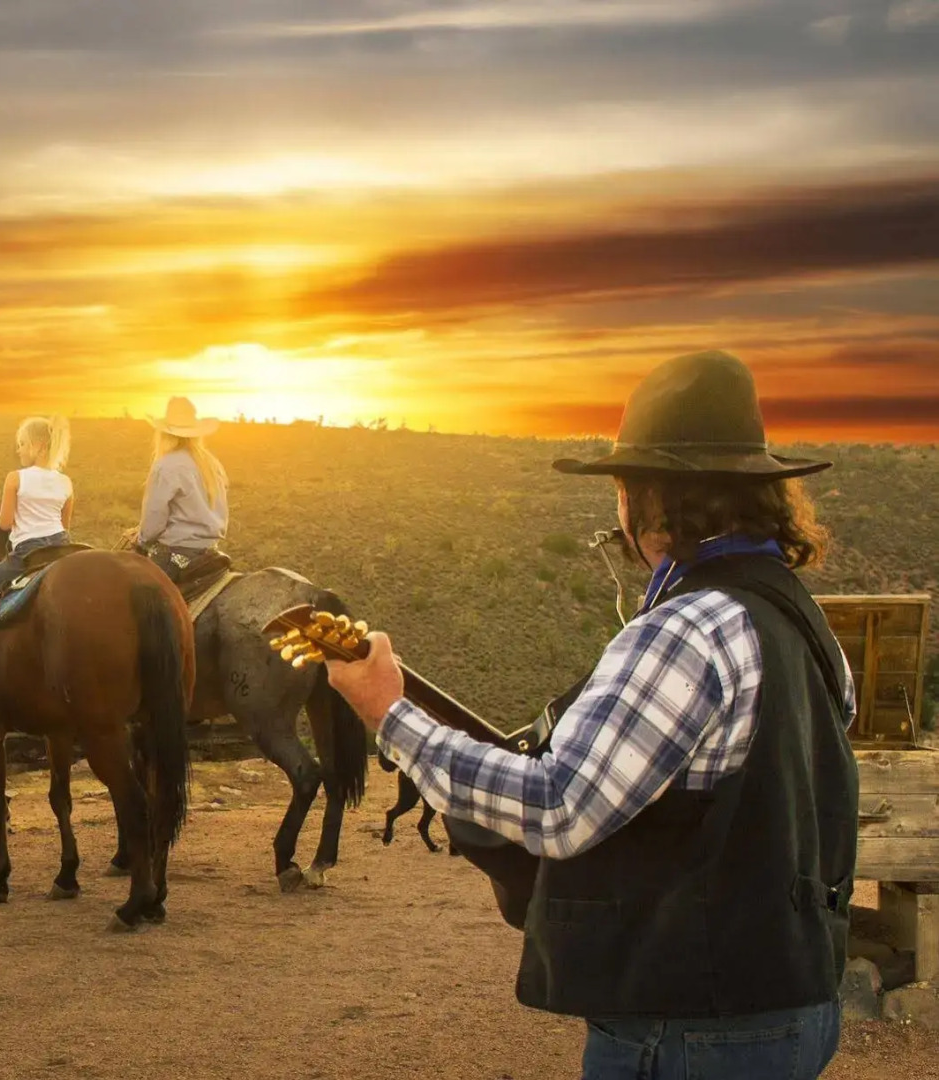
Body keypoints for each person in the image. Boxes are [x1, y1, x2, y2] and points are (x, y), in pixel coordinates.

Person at [327, 351, 858, 1080]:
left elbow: (559, 805)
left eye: (621, 489)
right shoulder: (804, 620)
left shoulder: (686, 630)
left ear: (649, 498)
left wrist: (388, 714)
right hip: (795, 999)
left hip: (689, 1024)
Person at [0, 415, 74, 683]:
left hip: (28, 553)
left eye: (22, 444)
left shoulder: (16, 479)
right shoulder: (66, 482)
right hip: (61, 549)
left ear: (37, 446)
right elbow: (64, 525)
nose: (18, 450)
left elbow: (4, 522)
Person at [137, 396, 228, 582]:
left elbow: (154, 517)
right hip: (210, 551)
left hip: (175, 553)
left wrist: (141, 539)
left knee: (134, 592)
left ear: (164, 434)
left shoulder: (166, 465)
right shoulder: (212, 464)